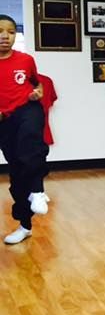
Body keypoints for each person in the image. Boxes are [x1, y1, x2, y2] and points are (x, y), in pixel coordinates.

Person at [0, 14, 48, 245]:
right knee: (17, 171)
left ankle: (38, 191)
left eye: (11, 32)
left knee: (31, 145)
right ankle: (25, 225)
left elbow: (36, 83)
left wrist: (38, 92)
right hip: (3, 119)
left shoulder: (25, 60)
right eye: (0, 31)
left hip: (27, 108)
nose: (5, 36)